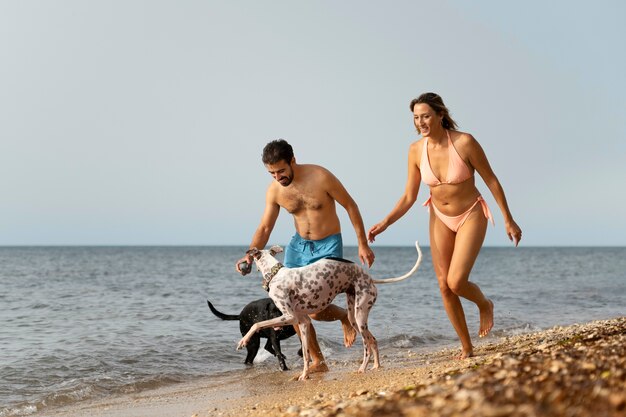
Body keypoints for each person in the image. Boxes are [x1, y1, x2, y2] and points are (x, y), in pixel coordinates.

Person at [368, 93, 522, 359]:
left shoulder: (465, 142)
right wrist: (385, 222)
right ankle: (467, 346)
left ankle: (484, 304)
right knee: (443, 285)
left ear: (440, 114)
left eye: (425, 116)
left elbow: (492, 181)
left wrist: (508, 218)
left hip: (470, 214)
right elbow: (409, 196)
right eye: (416, 117)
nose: (420, 122)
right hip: (439, 216)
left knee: (456, 281)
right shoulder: (416, 150)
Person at [236, 139, 375, 372]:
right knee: (293, 309)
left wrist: (362, 244)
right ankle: (318, 362)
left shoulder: (321, 177)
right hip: (298, 247)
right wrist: (249, 255)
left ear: (293, 160)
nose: (278, 177)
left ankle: (343, 317)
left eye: (281, 170)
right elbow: (264, 228)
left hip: (328, 245)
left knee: (317, 311)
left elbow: (350, 205)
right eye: (272, 173)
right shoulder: (275, 190)